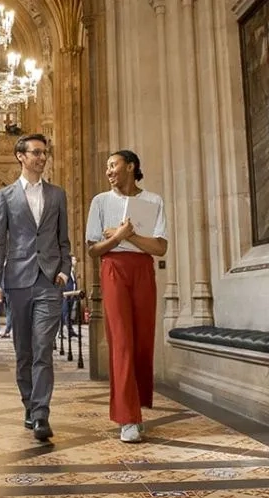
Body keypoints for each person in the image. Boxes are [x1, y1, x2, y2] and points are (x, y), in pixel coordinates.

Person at [0, 133, 72, 442]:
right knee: (23, 352)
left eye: (44, 153)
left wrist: (64, 272)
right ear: (21, 156)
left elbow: (64, 241)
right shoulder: (5, 196)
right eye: (36, 152)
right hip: (18, 281)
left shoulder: (58, 194)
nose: (42, 157)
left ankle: (41, 415)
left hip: (48, 281)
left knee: (42, 349)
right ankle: (28, 404)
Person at [85, 149, 167, 443]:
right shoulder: (100, 201)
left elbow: (159, 248)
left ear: (130, 167)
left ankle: (138, 405)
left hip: (144, 270)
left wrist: (126, 234)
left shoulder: (153, 200)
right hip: (113, 270)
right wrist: (118, 239)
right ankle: (128, 418)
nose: (109, 171)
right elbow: (93, 249)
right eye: (107, 166)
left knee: (143, 340)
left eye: (113, 165)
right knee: (121, 342)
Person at [60, 255, 77, 338]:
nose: (76, 261)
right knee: (64, 313)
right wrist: (64, 293)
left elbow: (73, 283)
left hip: (72, 295)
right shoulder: (66, 271)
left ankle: (70, 331)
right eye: (74, 260)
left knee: (69, 313)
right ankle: (61, 332)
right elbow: (63, 282)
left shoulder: (73, 271)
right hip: (66, 295)